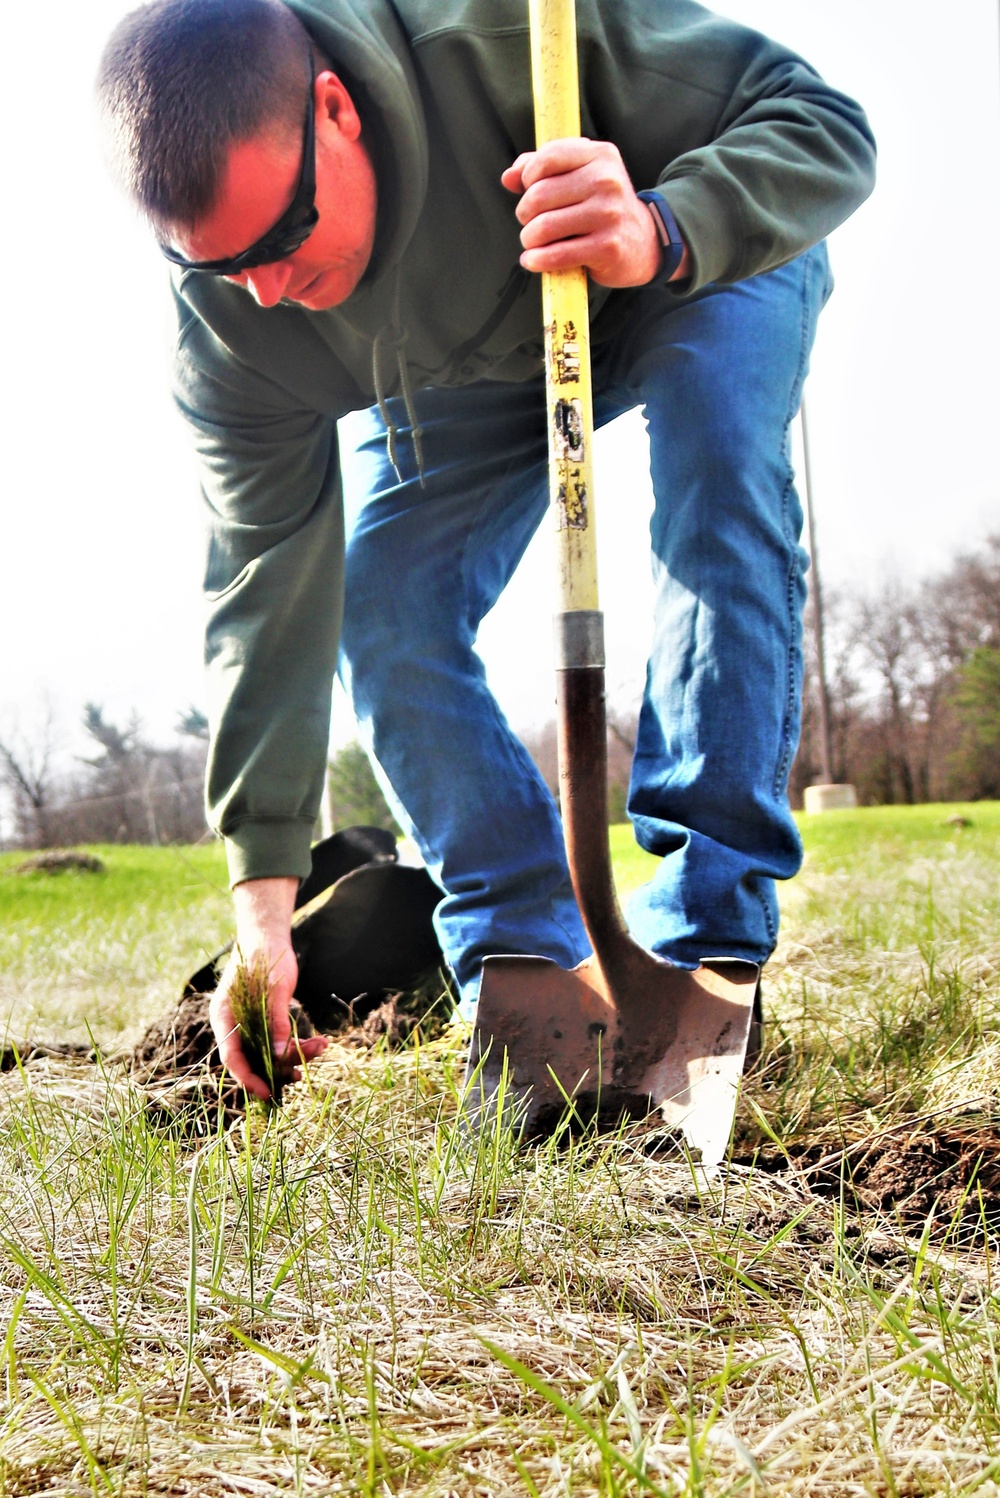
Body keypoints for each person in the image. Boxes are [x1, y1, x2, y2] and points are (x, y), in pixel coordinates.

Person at [96, 0, 875, 1101]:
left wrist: (664, 221)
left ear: (335, 109)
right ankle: (526, 965)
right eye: (219, 264)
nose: (264, 289)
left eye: (278, 239)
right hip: (477, 367)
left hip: (680, 249)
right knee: (385, 604)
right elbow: (267, 587)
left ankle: (704, 939)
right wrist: (262, 910)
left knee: (718, 469)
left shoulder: (498, 36)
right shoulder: (232, 327)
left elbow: (822, 125)